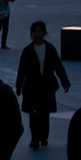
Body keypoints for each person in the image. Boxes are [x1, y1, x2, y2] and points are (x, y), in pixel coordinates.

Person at [15, 21, 70, 149]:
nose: (37, 34)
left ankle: (43, 136)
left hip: (47, 86)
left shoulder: (50, 49)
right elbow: (21, 69)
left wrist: (65, 81)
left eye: (40, 31)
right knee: (33, 114)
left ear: (44, 33)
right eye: (34, 31)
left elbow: (58, 66)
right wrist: (18, 86)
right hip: (31, 87)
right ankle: (35, 138)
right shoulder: (27, 51)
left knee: (45, 113)